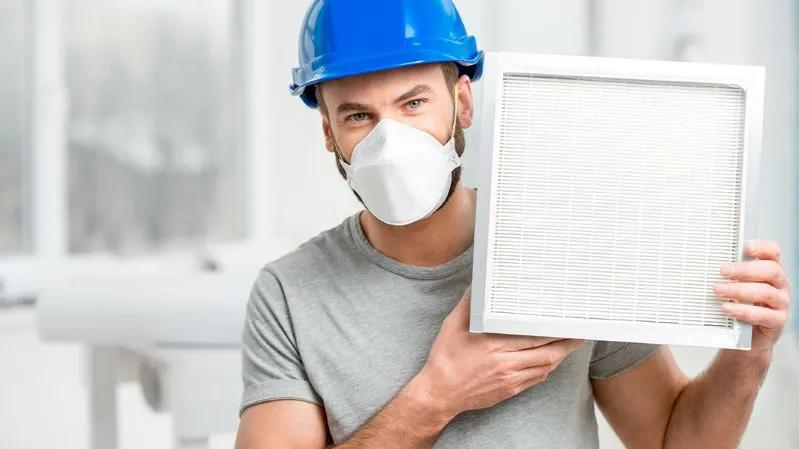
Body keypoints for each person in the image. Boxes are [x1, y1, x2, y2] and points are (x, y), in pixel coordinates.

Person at [234, 1, 792, 447]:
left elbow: (674, 442)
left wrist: (749, 355)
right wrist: (437, 396)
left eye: (413, 103)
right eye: (359, 115)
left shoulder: (564, 239)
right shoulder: (290, 294)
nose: (390, 142)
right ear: (329, 134)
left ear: (462, 103)